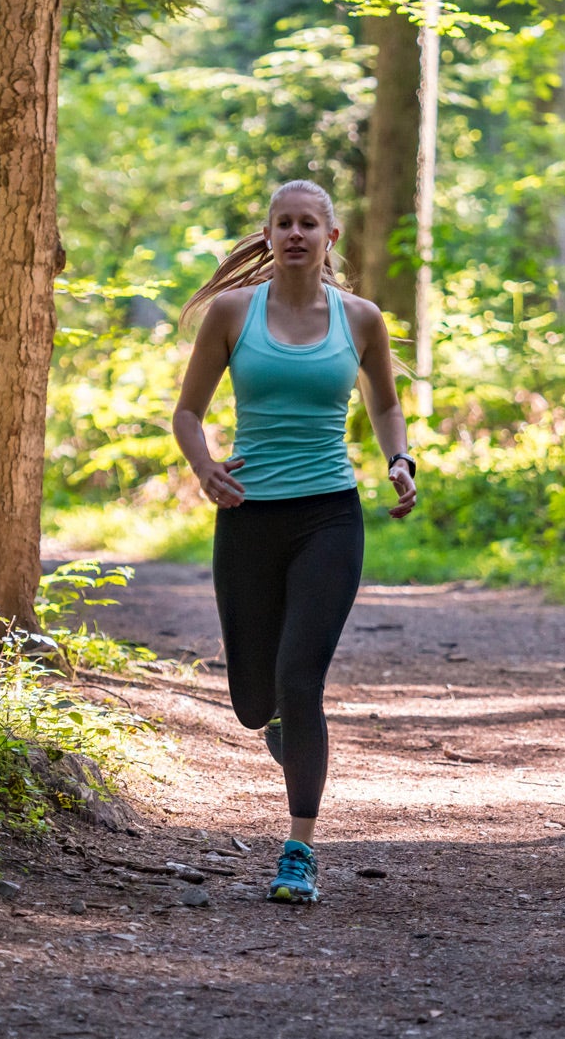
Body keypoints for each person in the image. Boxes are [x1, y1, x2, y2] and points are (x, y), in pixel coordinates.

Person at [171, 179, 418, 903]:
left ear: (330, 238)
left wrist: (398, 459)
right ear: (269, 233)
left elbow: (385, 399)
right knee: (254, 700)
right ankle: (275, 715)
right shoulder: (231, 313)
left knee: (300, 677)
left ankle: (299, 849)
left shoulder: (361, 319)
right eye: (284, 222)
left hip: (328, 517)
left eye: (309, 223)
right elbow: (187, 413)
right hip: (248, 515)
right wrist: (205, 468)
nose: (296, 233)